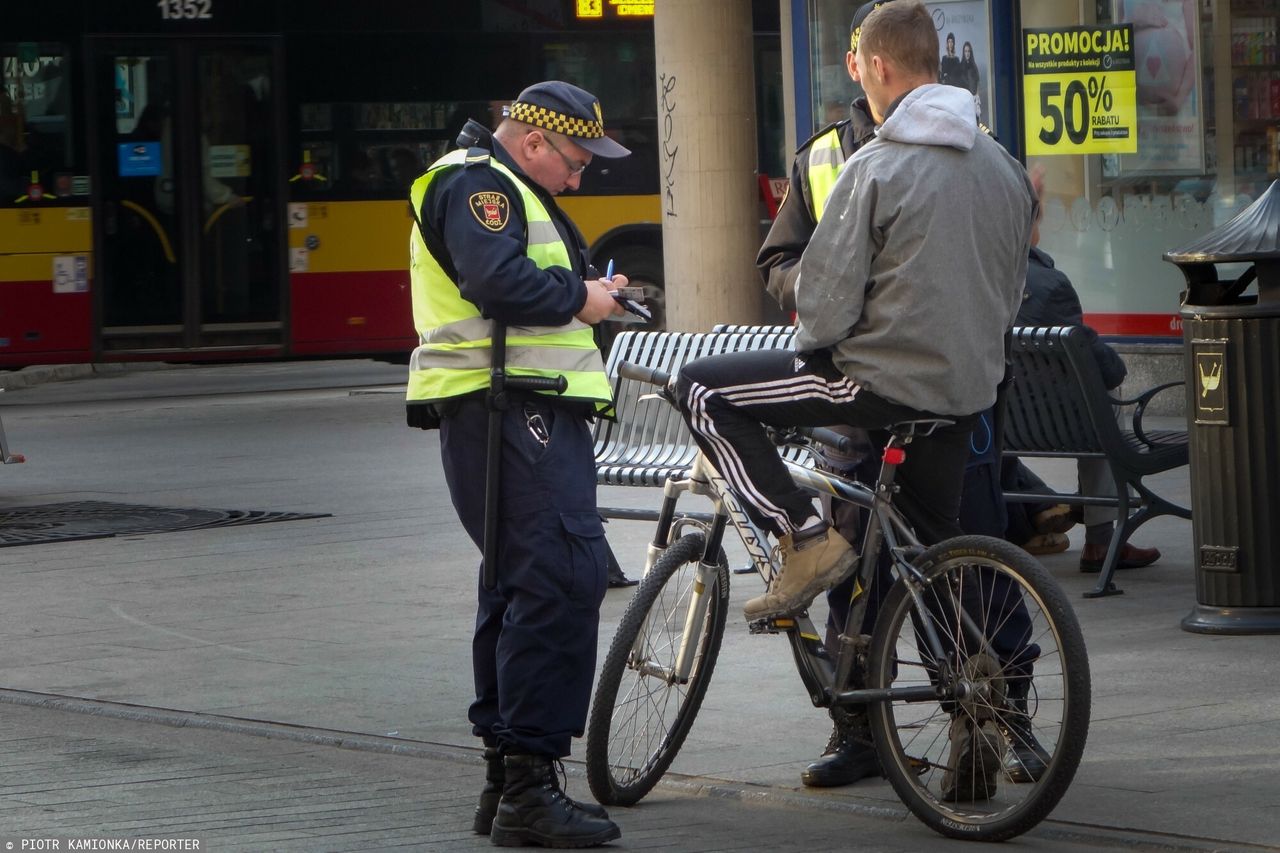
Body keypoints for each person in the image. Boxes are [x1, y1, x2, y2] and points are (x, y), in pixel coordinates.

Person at [678, 0, 1035, 801]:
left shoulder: (874, 163)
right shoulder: (1000, 163)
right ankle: (977, 701)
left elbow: (828, 309)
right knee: (939, 559)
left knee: (700, 386)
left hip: (869, 387)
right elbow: (1013, 287)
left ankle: (801, 539)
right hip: (962, 396)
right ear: (933, 60)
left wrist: (824, 343)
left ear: (873, 65)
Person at [404, 80, 629, 848]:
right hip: (504, 406)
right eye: (575, 160)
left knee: (519, 582)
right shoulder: (479, 186)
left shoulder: (498, 186)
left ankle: (509, 779)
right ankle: (529, 784)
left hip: (518, 406)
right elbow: (495, 281)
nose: (579, 176)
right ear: (533, 142)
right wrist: (584, 298)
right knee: (561, 574)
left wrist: (591, 294)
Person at [1006, 179, 1161, 573]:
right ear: (1030, 227)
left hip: (1004, 425)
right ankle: (1100, 541)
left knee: (1086, 404)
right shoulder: (1050, 284)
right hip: (1064, 427)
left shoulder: (977, 277)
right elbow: (1108, 367)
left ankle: (1072, 505)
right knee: (1103, 404)